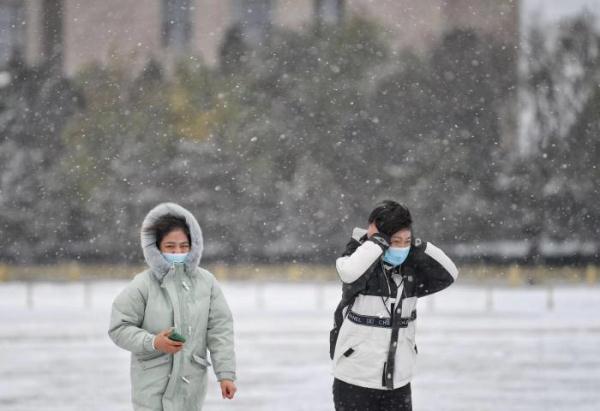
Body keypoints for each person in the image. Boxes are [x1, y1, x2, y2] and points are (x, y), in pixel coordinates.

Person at [330, 200, 458, 411]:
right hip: (354, 380)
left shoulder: (411, 273)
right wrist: (376, 241)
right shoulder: (361, 264)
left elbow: (450, 273)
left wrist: (418, 245)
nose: (401, 247)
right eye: (395, 241)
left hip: (398, 382)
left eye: (406, 241)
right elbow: (350, 272)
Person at [108, 202, 236, 411]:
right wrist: (154, 342)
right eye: (170, 246)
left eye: (184, 246)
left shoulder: (207, 282)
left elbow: (220, 330)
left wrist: (226, 374)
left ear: (194, 245)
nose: (178, 251)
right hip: (151, 388)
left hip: (191, 390)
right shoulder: (143, 284)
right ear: (156, 248)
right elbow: (119, 327)